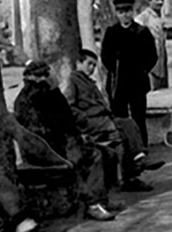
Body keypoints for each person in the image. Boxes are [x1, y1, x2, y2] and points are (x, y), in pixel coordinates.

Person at [13, 60, 116, 221]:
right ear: (42, 77)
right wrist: (70, 141)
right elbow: (39, 133)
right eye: (49, 73)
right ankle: (92, 204)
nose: (53, 76)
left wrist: (78, 137)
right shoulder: (31, 99)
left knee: (107, 153)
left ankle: (102, 201)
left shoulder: (51, 94)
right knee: (91, 157)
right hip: (47, 151)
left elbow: (67, 120)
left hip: (61, 143)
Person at [66, 49, 163, 192]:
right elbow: (69, 107)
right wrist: (85, 118)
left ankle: (136, 164)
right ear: (78, 63)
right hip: (89, 124)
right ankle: (132, 171)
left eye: (94, 65)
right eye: (89, 64)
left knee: (127, 125)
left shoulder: (89, 82)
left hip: (103, 121)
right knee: (119, 132)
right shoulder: (72, 81)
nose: (92, 68)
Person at [100, 0, 158, 145]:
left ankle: (141, 147)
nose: (124, 15)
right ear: (116, 14)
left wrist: (142, 70)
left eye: (127, 11)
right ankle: (126, 147)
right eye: (120, 12)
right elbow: (105, 56)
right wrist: (116, 68)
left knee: (139, 116)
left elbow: (152, 56)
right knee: (120, 116)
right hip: (118, 82)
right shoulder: (111, 32)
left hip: (137, 81)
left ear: (132, 12)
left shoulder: (142, 31)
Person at [135, 0, 168, 90]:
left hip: (161, 63)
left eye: (162, 0)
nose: (160, 2)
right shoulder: (143, 18)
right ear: (149, 1)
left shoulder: (161, 18)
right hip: (149, 65)